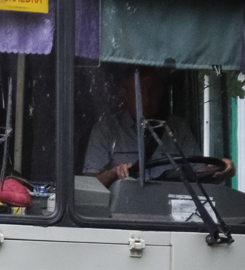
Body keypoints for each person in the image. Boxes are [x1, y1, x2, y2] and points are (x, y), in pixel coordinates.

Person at [82, 66, 234, 187]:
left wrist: (223, 168)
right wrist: (113, 174)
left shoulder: (178, 128)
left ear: (161, 92)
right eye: (140, 93)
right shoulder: (106, 130)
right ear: (124, 94)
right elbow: (89, 185)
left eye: (152, 91)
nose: (147, 100)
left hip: (170, 217)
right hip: (121, 216)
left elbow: (201, 174)